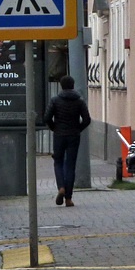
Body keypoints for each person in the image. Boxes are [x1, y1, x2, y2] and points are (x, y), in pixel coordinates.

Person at [43, 75, 91, 207]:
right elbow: (87, 120)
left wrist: (54, 128)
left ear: (61, 86)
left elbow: (47, 117)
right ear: (73, 85)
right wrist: (78, 129)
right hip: (73, 136)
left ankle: (61, 188)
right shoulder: (79, 101)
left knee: (58, 162)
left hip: (59, 135)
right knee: (70, 165)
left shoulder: (55, 100)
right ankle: (68, 199)